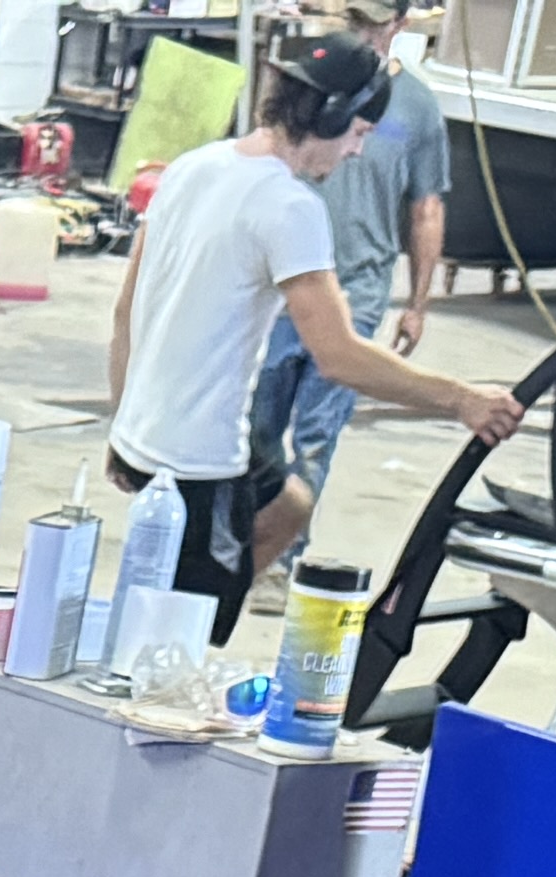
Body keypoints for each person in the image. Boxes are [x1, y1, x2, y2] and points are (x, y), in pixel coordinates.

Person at [102, 29, 516, 619]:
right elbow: (339, 356)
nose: (356, 152)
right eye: (359, 133)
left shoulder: (193, 167)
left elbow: (126, 311)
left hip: (148, 436)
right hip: (198, 461)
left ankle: (205, 605)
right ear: (332, 117)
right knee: (169, 633)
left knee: (290, 505)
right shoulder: (290, 208)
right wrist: (461, 399)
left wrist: (123, 428)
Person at [249, 0, 451, 523]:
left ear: (400, 25)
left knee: (317, 434)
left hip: (356, 289)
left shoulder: (417, 106)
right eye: (355, 21)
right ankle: (242, 539)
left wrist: (417, 305)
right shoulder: (315, 82)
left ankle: (284, 553)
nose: (363, 33)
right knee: (257, 429)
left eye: (374, 24)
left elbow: (426, 208)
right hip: (286, 284)